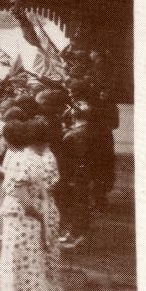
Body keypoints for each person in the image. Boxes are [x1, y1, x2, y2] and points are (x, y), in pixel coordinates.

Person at [0, 115, 61, 291]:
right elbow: (36, 188)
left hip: (21, 218)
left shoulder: (21, 160)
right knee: (31, 260)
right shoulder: (33, 157)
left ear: (8, 140)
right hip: (32, 216)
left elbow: (24, 200)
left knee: (17, 260)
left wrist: (40, 218)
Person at [59, 101, 94, 247]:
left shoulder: (71, 135)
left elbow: (66, 160)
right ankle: (80, 233)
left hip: (74, 176)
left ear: (73, 116)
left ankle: (75, 234)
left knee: (76, 205)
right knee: (83, 203)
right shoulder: (92, 131)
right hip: (87, 174)